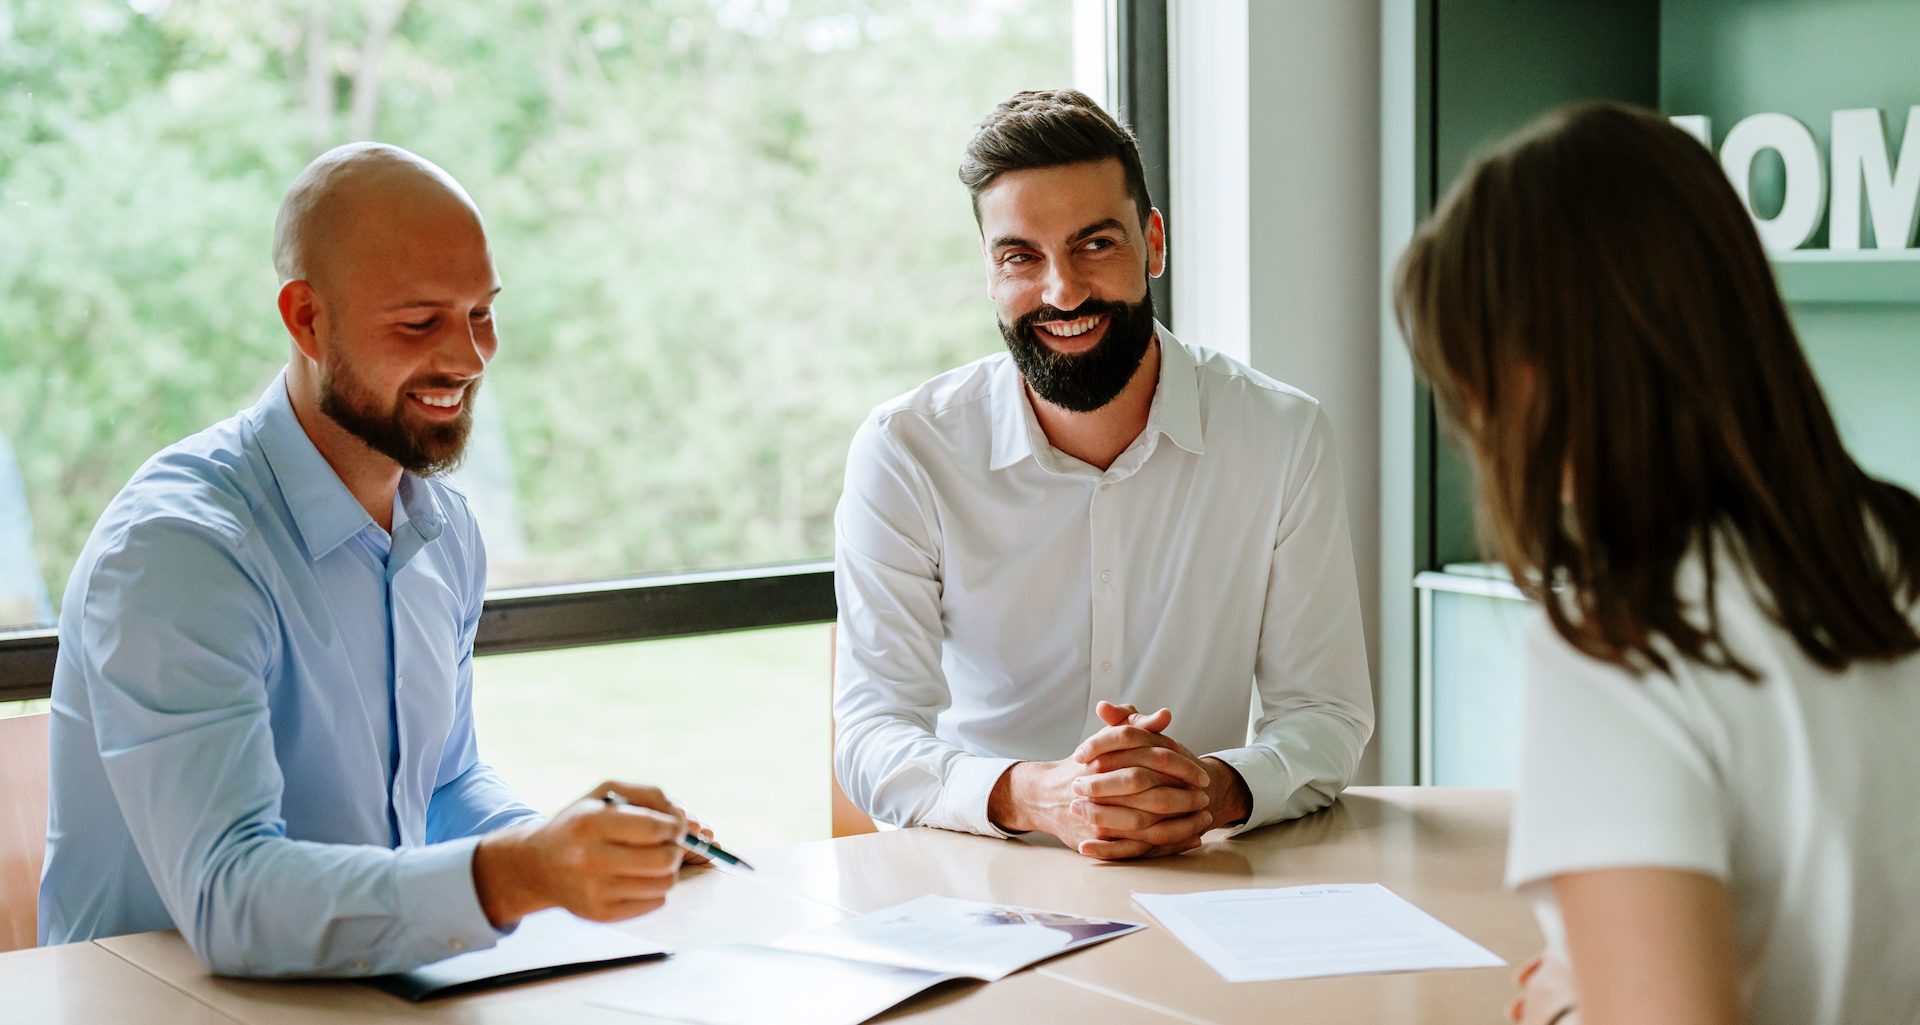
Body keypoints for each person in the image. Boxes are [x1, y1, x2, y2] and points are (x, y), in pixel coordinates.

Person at [39, 143, 701, 976]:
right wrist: (517, 873)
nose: (466, 358)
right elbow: (228, 895)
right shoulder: (179, 548)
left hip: (364, 993)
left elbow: (444, 784)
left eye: (482, 313)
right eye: (420, 321)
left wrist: (572, 849)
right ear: (307, 319)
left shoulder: (443, 528)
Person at [1395, 101, 1920, 1025]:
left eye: (1468, 373)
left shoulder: (1623, 643)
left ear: (1540, 369)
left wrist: (1575, 1003)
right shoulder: (1898, 551)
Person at [833, 90, 1373, 860]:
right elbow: (870, 728)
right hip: (979, 878)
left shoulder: (1282, 435)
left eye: (1095, 244)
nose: (1062, 291)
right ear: (989, 269)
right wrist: (1039, 795)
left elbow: (1325, 710)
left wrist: (1214, 787)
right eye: (1020, 255)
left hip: (1194, 868)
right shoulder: (906, 448)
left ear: (1153, 243)